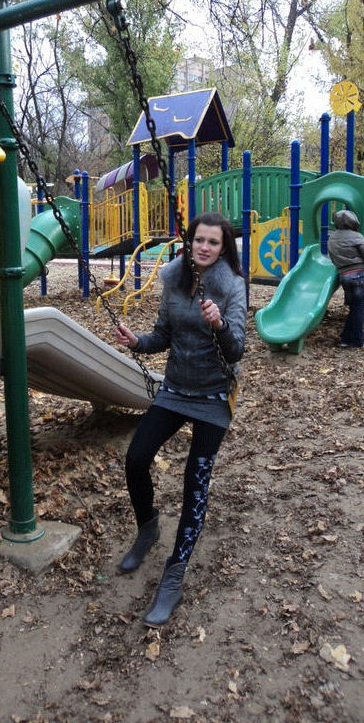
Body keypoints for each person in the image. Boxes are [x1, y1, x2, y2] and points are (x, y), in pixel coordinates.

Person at [113, 211, 247, 627]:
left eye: (213, 242)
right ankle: (148, 528)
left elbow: (237, 349)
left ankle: (174, 574)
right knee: (136, 458)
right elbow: (163, 336)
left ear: (223, 248)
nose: (204, 247)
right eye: (199, 240)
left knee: (195, 481)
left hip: (213, 395)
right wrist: (138, 341)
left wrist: (219, 324)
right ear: (189, 243)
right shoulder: (173, 278)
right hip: (174, 389)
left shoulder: (232, 285)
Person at [327, 209, 364, 348]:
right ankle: (357, 340)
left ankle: (345, 339)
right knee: (358, 308)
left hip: (344, 275)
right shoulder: (357, 236)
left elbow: (333, 257)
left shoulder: (332, 238)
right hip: (359, 273)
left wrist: (342, 269)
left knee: (353, 307)